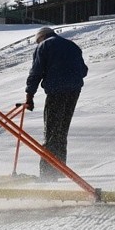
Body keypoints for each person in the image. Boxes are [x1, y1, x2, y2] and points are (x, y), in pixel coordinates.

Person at [24, 27, 88, 181]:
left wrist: (29, 97)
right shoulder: (72, 45)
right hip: (74, 92)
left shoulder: (44, 46)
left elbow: (36, 72)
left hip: (56, 91)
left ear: (41, 37)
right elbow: (84, 70)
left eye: (37, 41)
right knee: (61, 131)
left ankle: (47, 175)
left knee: (51, 132)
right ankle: (60, 171)